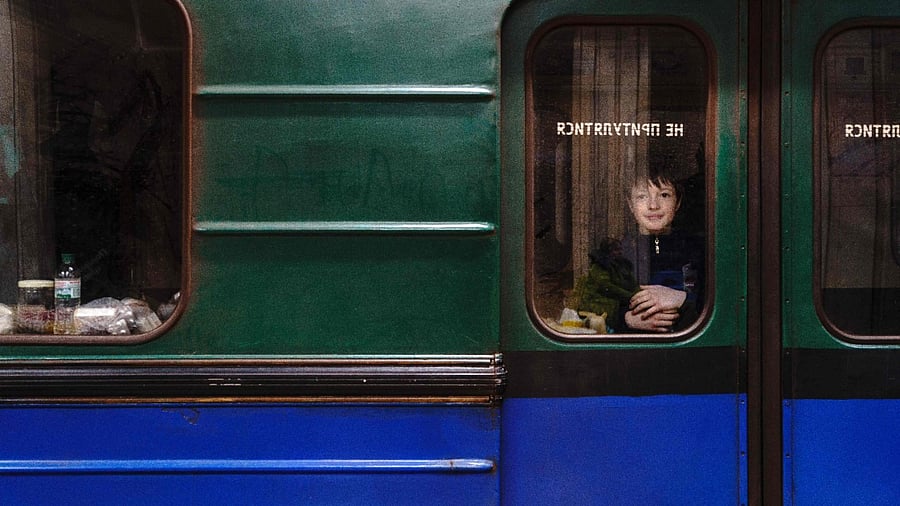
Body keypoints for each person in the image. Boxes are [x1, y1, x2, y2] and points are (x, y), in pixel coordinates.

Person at [619, 172, 703, 333]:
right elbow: (598, 306)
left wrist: (683, 299)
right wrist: (626, 319)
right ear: (630, 204)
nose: (653, 205)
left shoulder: (699, 249)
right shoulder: (617, 252)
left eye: (664, 195)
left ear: (678, 202)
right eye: (642, 197)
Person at [570, 237, 639, 332]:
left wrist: (639, 295)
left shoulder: (621, 266)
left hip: (617, 306)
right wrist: (630, 296)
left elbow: (630, 284)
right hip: (599, 308)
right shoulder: (599, 267)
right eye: (616, 250)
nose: (620, 252)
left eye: (620, 249)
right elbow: (606, 287)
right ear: (608, 252)